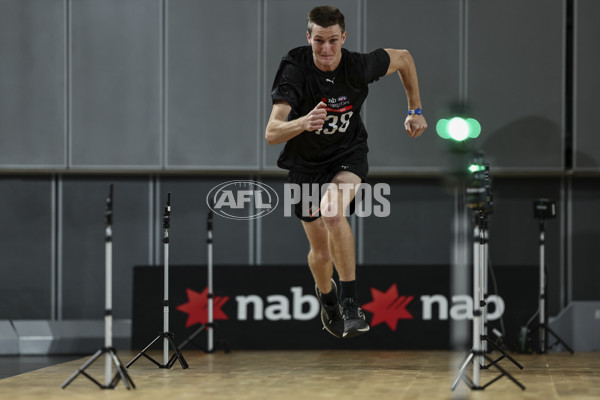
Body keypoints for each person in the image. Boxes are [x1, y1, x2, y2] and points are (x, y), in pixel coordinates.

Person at [265, 5, 427, 339]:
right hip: (305, 165)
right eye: (319, 41)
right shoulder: (295, 68)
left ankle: (351, 304)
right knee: (321, 253)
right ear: (308, 37)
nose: (326, 49)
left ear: (344, 38)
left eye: (333, 41)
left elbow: (405, 58)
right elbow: (272, 132)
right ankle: (328, 300)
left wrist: (415, 110)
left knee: (333, 211)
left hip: (347, 154)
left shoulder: (358, 66)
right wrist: (303, 122)